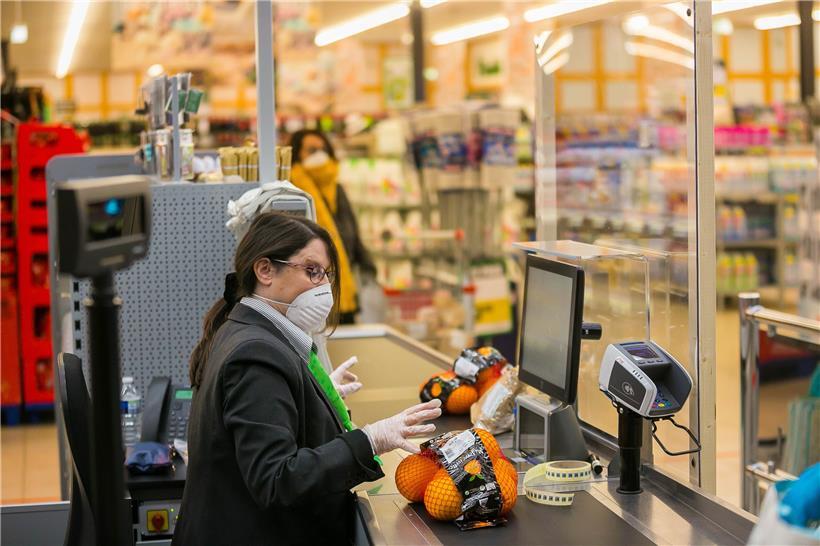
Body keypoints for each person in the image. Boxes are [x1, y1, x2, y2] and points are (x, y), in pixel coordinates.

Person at [173, 212, 441, 545]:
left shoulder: (245, 331)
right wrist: (371, 440)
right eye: (311, 271)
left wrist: (312, 399)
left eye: (326, 274)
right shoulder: (256, 353)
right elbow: (277, 480)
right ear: (265, 270)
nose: (323, 287)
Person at [289, 129, 377, 324]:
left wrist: (368, 269)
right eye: (312, 150)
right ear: (297, 154)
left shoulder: (337, 189)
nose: (319, 155)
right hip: (308, 294)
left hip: (343, 291)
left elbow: (353, 234)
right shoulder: (292, 190)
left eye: (323, 149)